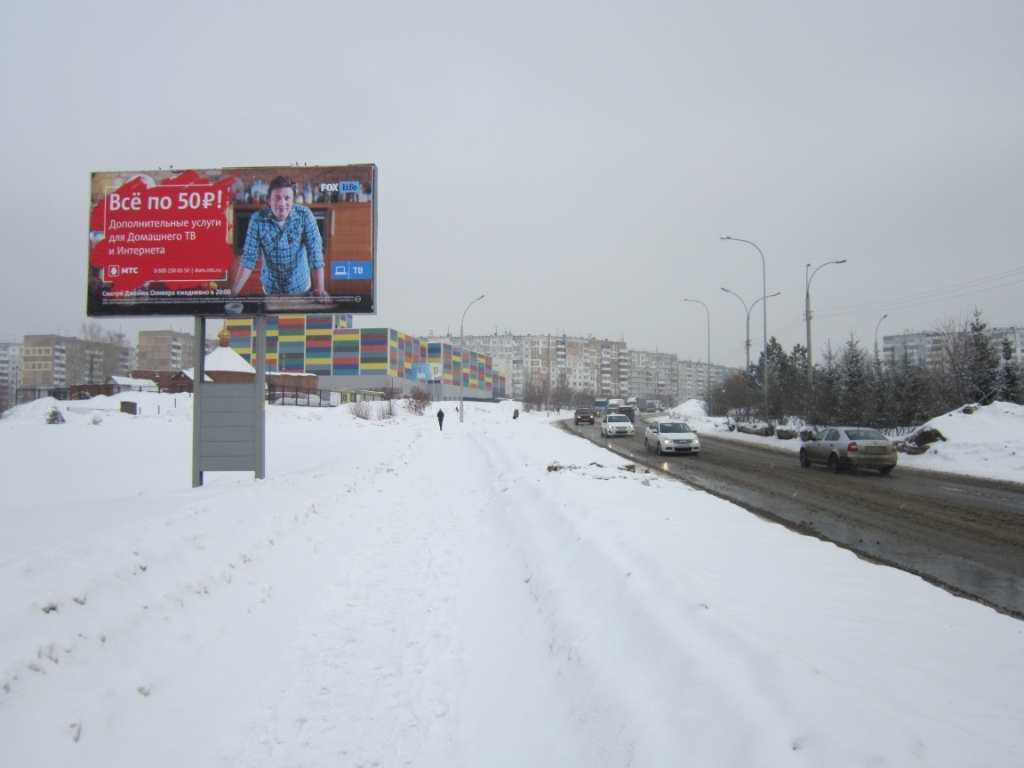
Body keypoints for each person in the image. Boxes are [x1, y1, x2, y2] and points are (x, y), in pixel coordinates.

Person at [230, 176, 329, 300]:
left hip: (300, 288)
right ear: (269, 200)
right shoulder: (257, 220)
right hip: (271, 290)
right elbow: (249, 258)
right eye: (277, 198)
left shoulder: (305, 215)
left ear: (293, 200)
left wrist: (319, 288)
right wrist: (232, 294)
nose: (282, 203)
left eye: (287, 198)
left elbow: (315, 254)